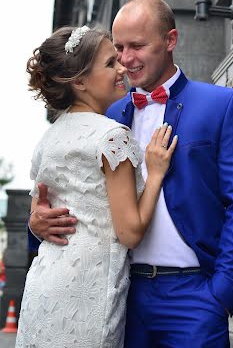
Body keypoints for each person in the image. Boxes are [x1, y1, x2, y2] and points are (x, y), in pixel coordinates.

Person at [29, 0, 233, 347]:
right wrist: (36, 222)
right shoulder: (106, 117)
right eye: (119, 49)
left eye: (137, 46)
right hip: (122, 295)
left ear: (170, 40)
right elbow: (70, 189)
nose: (126, 61)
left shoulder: (220, 106)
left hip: (197, 296)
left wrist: (221, 292)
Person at [18, 25, 177, 348]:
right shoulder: (112, 136)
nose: (122, 69)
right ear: (79, 82)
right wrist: (156, 172)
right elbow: (130, 233)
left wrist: (37, 221)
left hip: (43, 288)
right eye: (109, 64)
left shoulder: (48, 139)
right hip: (90, 291)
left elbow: (40, 207)